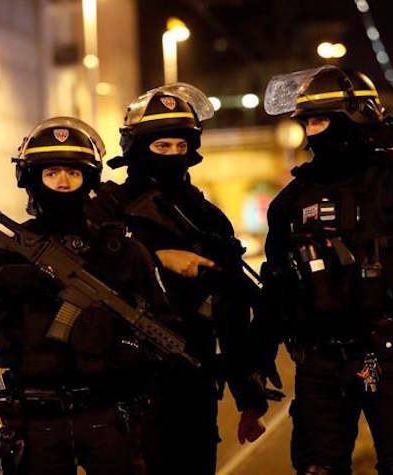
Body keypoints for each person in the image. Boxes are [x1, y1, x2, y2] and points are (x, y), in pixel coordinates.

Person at [260, 65, 393, 474]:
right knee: (317, 468)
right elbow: (277, 283)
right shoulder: (291, 201)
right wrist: (257, 357)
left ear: (353, 117)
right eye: (308, 122)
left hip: (388, 357)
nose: (311, 132)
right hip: (320, 362)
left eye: (321, 120)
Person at [0, 117, 173, 475]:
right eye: (52, 173)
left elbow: (162, 329)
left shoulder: (122, 252)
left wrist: (128, 351)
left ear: (90, 179)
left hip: (108, 418)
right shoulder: (5, 255)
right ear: (30, 178)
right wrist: (2, 286)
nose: (64, 183)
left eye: (73, 173)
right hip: (36, 423)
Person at [85, 83, 274, 474]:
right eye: (161, 147)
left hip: (193, 382)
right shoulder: (107, 208)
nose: (172, 156)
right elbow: (81, 269)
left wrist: (248, 396)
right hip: (124, 383)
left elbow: (232, 308)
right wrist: (154, 259)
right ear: (137, 149)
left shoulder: (206, 218)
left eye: (179, 147)